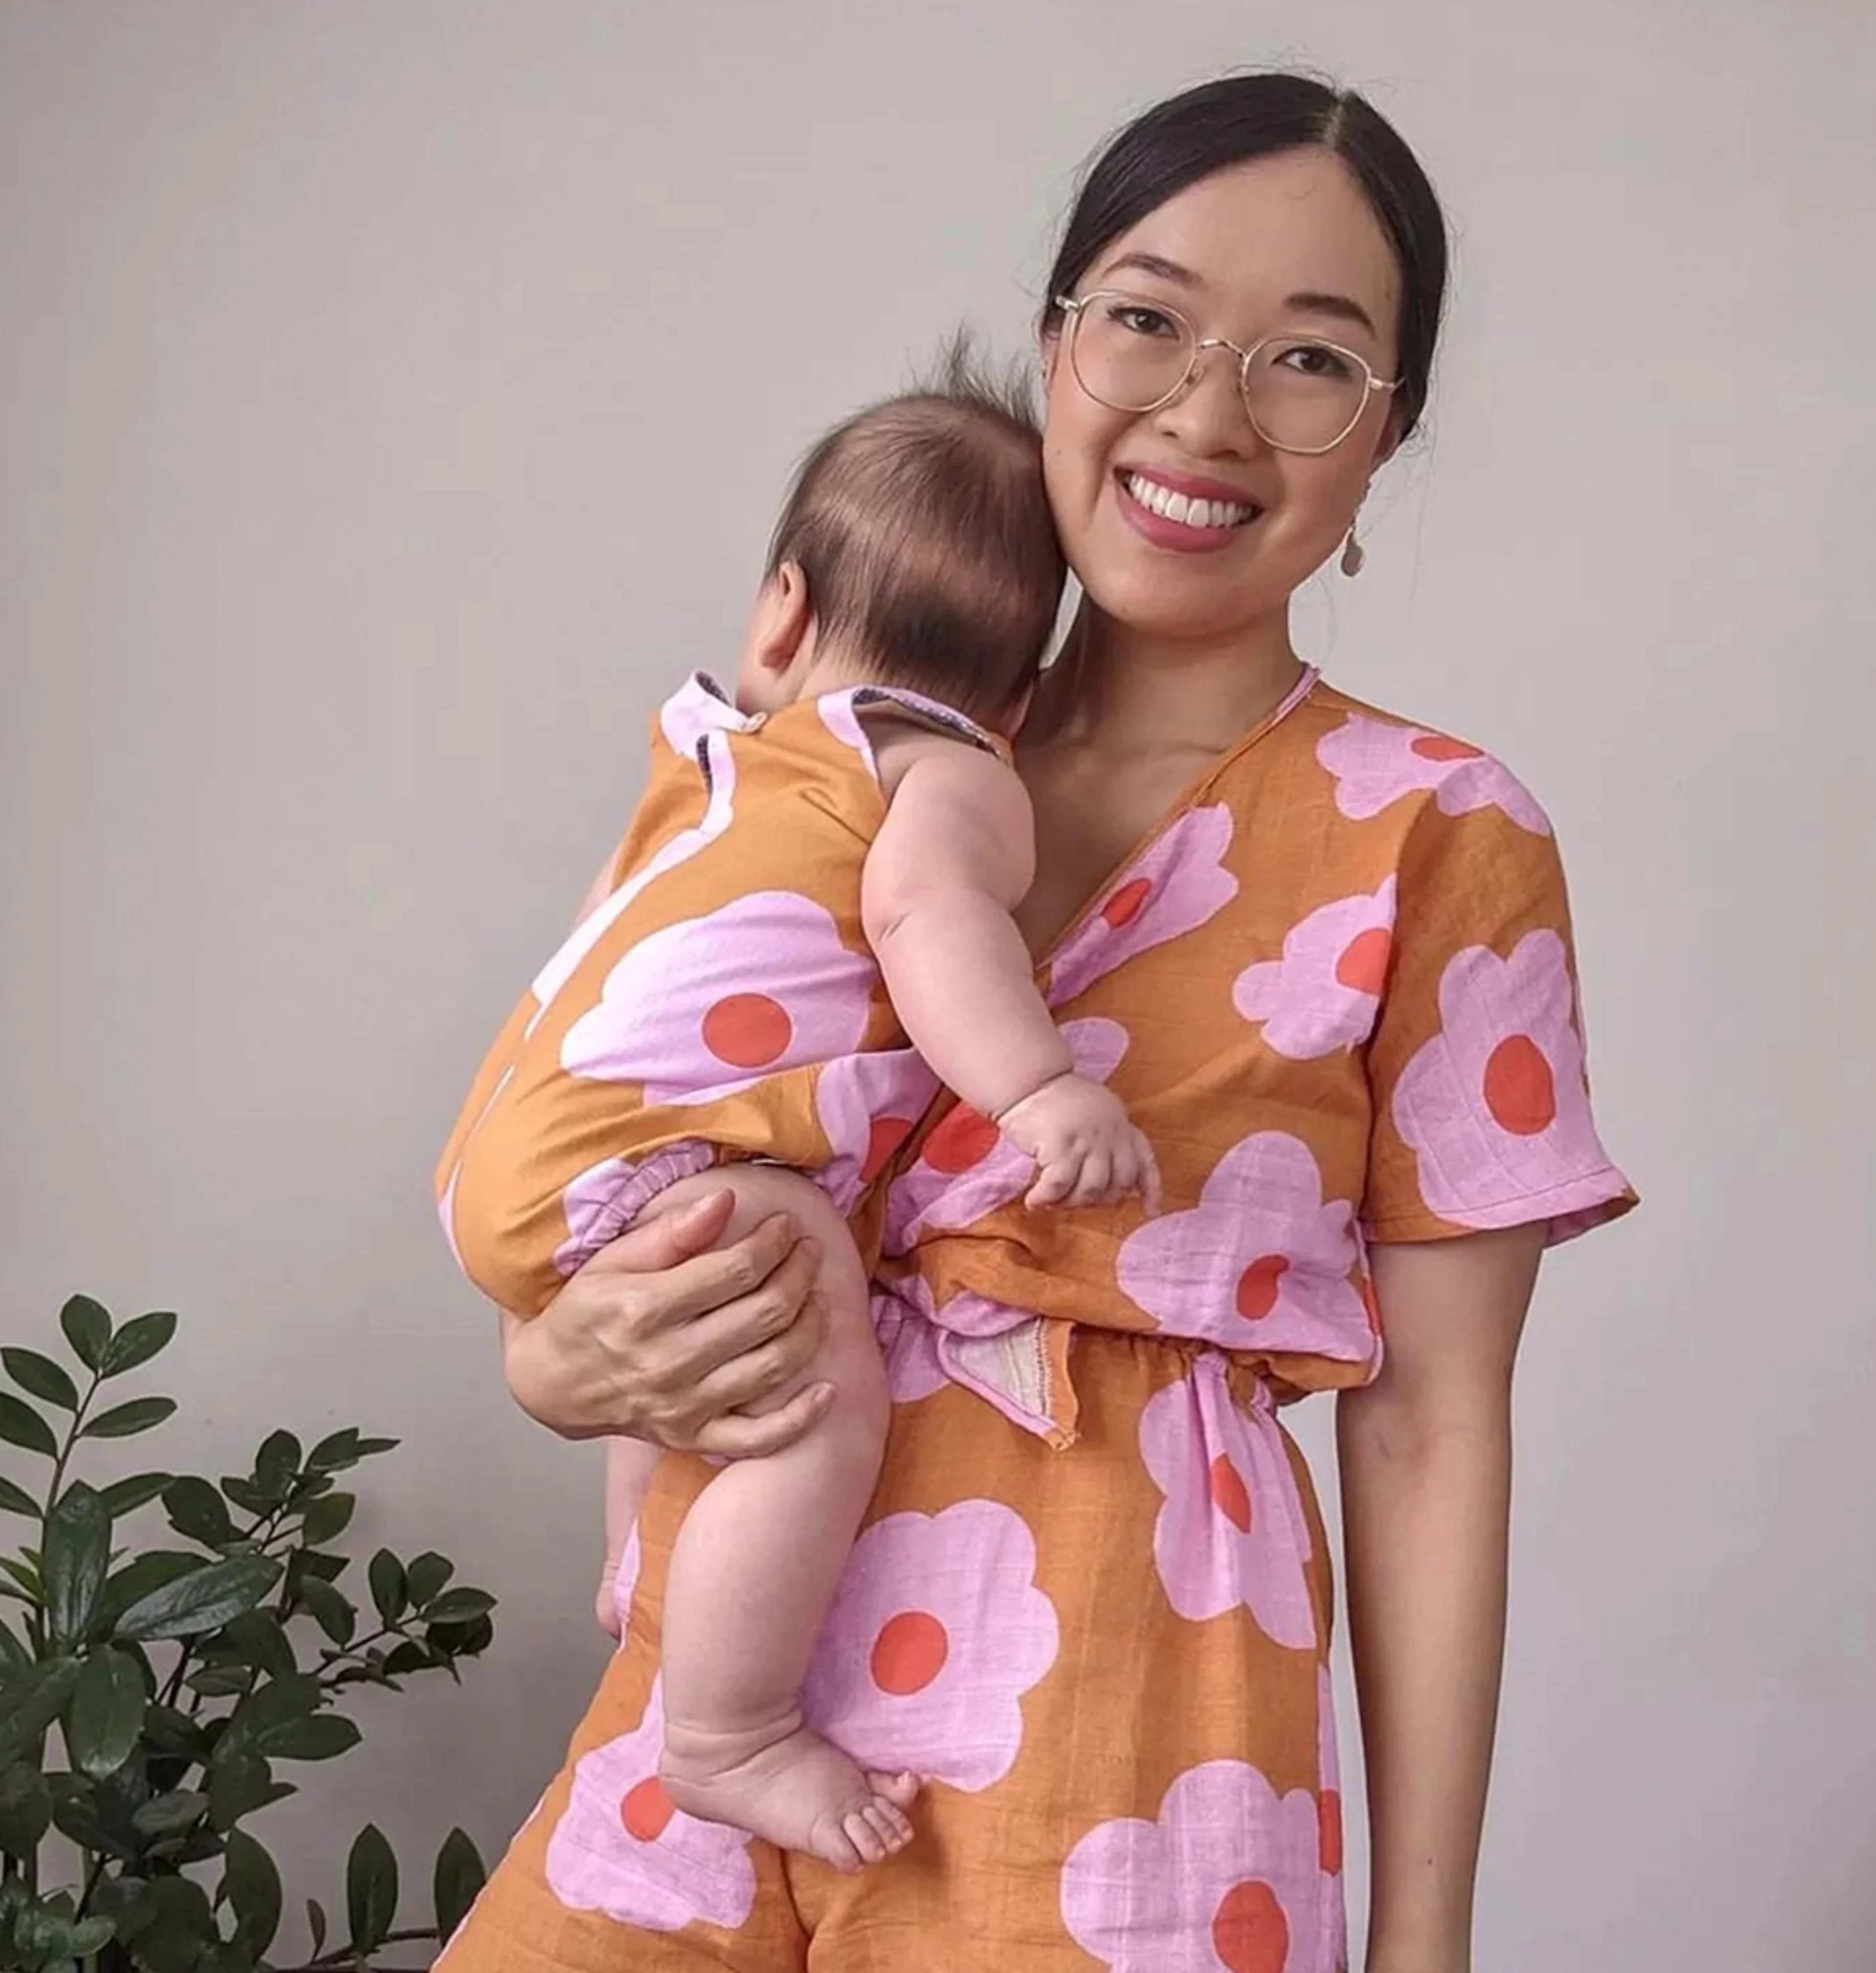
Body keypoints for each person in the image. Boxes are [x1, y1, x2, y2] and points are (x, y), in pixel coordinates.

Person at [439, 69, 1636, 1973]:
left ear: (1385, 436)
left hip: (1136, 1749)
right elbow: (617, 1125)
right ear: (1058, 341)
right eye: (1149, 318)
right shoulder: (845, 763)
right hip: (733, 1713)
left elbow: (1428, 1438)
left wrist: (1425, 1944)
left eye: (1310, 358)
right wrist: (555, 1365)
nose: (1209, 412)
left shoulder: (1439, 835)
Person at [436, 371, 1158, 1872]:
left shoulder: (711, 759)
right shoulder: (939, 762)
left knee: (698, 1303)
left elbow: (599, 958)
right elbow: (922, 912)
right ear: (1021, 700)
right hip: (647, 1157)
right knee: (811, 1363)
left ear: (782, 610)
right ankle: (728, 1733)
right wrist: (1037, 1089)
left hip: (515, 1139)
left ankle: (639, 1558)